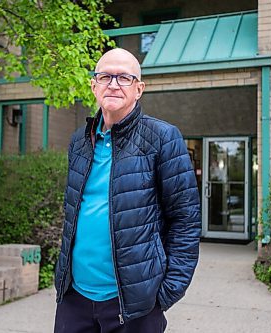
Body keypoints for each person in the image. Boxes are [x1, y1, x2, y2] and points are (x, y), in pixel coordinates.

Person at [53, 48, 201, 333]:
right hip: (75, 299)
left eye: (124, 77)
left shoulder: (162, 138)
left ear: (139, 89)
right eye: (105, 76)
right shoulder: (79, 142)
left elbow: (186, 220)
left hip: (134, 304)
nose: (113, 83)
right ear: (94, 85)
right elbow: (72, 213)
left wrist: (166, 292)